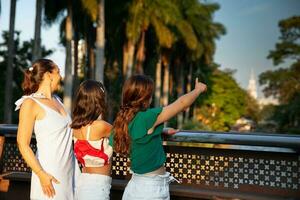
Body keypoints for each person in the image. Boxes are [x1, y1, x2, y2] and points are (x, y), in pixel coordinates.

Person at [111, 74, 207, 200]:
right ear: (144, 98)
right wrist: (198, 89)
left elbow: (139, 139)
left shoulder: (121, 122)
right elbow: (182, 103)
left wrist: (159, 131)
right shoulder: (146, 118)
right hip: (150, 190)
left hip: (135, 186)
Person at [16, 59, 76, 199]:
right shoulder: (30, 103)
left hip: (68, 173)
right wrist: (41, 174)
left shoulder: (58, 100)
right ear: (49, 75)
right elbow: (22, 143)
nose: (60, 77)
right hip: (48, 175)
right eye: (58, 72)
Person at [70, 80, 113, 200]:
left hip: (82, 183)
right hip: (98, 187)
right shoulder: (100, 126)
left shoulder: (75, 127)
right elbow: (127, 134)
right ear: (98, 102)